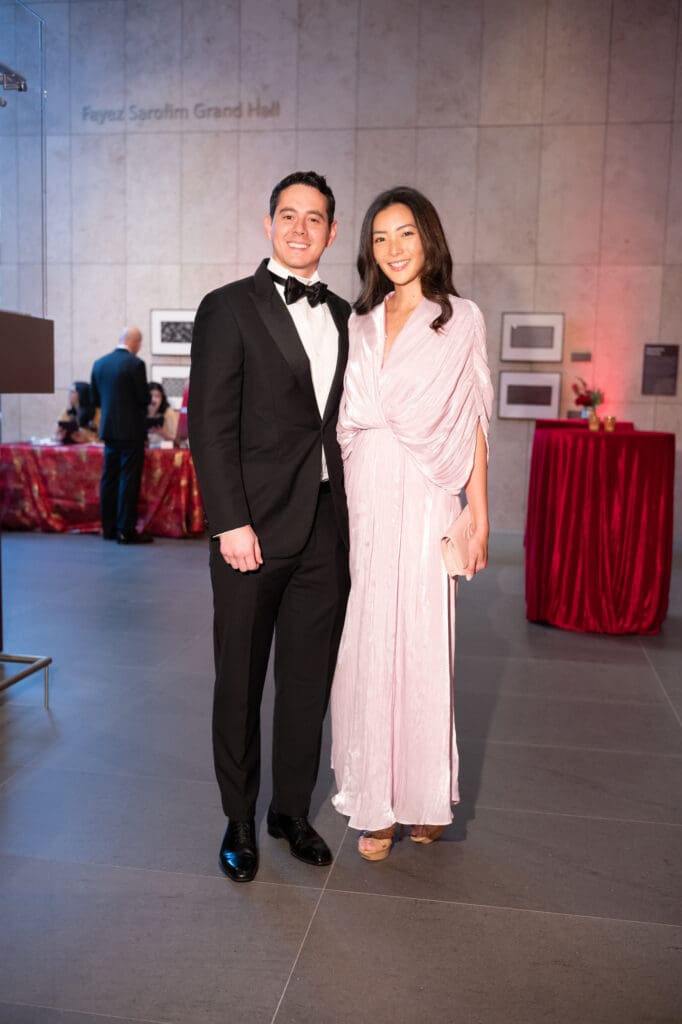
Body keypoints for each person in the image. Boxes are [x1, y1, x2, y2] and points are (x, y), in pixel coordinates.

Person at [188, 170, 351, 883]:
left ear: (332, 233)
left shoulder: (347, 315)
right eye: (288, 216)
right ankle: (239, 818)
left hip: (324, 527)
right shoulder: (228, 308)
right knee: (241, 681)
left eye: (314, 219)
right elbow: (209, 426)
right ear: (268, 224)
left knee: (308, 681)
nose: (299, 229)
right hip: (249, 532)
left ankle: (290, 810)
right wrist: (230, 522)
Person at [330, 186, 493, 861]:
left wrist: (479, 515)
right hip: (368, 494)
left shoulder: (460, 319)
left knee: (425, 645)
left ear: (428, 237)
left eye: (405, 234)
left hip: (429, 495)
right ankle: (377, 803)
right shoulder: (359, 323)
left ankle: (424, 795)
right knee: (370, 642)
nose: (393, 249)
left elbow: (474, 422)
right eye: (379, 238)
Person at [90, 327, 153, 544]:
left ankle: (108, 528)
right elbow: (144, 399)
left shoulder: (99, 364)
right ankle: (126, 530)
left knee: (109, 478)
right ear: (134, 343)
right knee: (128, 479)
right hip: (131, 431)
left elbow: (96, 400)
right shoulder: (135, 364)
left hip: (108, 430)